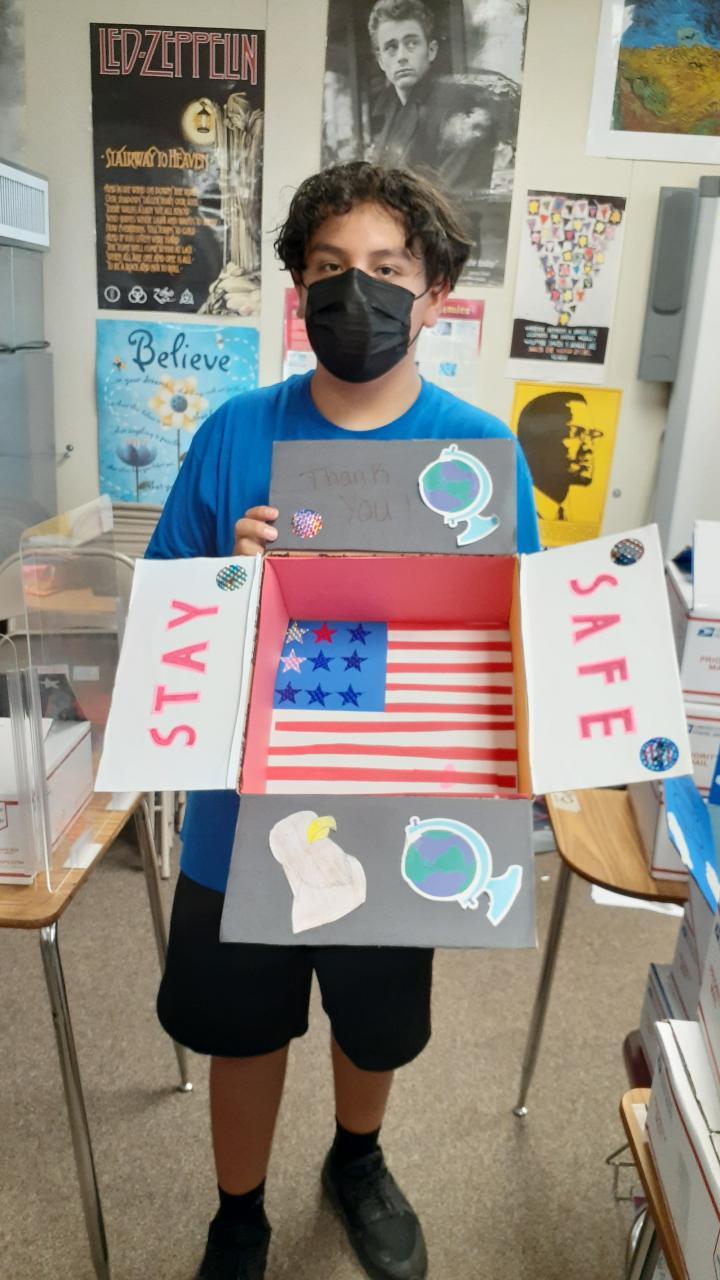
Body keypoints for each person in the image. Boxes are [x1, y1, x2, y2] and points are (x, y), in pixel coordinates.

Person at [146, 159, 540, 1280]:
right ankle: (237, 1214)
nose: (354, 291)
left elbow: (518, 641)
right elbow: (163, 606)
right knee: (242, 1027)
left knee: (375, 1019)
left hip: (395, 800)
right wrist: (234, 579)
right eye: (329, 268)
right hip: (241, 804)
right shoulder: (235, 433)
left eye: (385, 268)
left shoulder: (479, 451)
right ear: (298, 289)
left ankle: (357, 1158)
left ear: (436, 293)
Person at [516, 389, 603, 524]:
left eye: (591, 435)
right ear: (537, 441)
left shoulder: (570, 517)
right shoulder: (514, 512)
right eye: (575, 433)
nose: (588, 447)